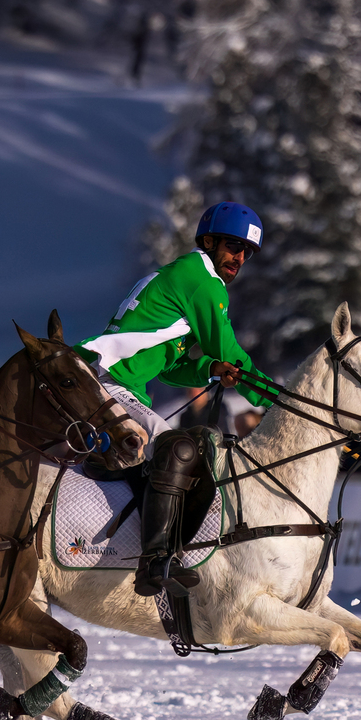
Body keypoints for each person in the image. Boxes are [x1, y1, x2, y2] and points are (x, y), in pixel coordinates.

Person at [78, 201, 274, 596]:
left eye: (246, 252)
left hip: (114, 380)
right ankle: (154, 561)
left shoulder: (183, 274)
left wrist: (207, 371)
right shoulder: (202, 281)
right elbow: (231, 350)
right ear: (209, 240)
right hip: (105, 380)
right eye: (232, 246)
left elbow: (165, 366)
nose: (238, 257)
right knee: (178, 448)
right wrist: (274, 400)